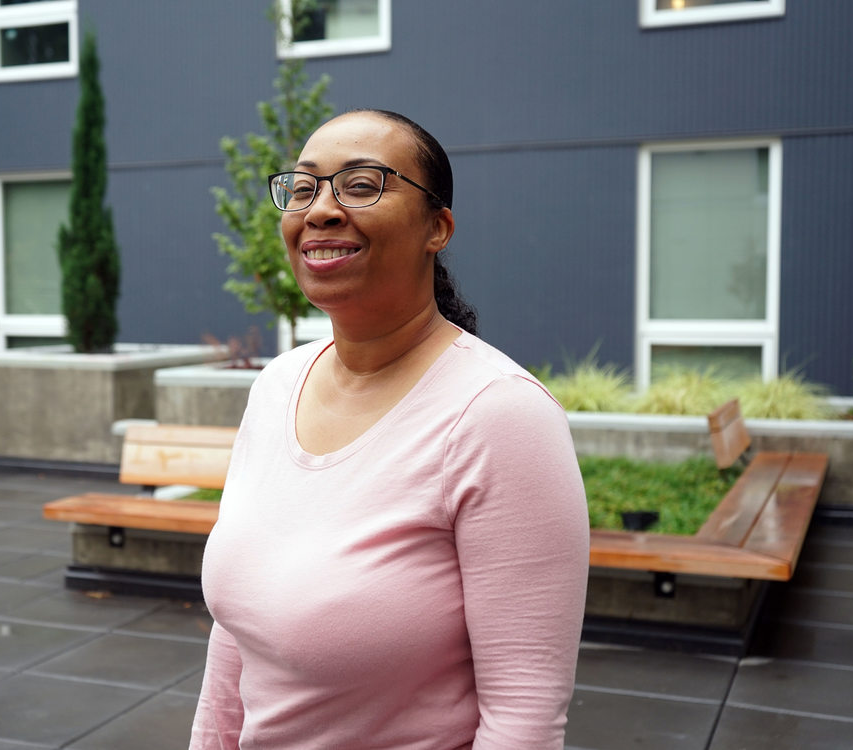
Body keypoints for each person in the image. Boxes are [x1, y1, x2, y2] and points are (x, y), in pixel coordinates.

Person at [190, 109, 589, 749]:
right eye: (303, 188)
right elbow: (237, 633)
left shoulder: (498, 416)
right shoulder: (277, 386)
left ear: (438, 227)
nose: (320, 210)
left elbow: (523, 720)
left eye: (361, 184)